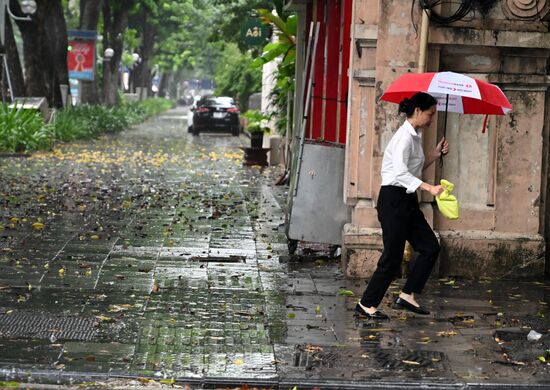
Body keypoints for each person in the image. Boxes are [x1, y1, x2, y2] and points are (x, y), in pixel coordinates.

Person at [355, 92, 449, 320]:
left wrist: (434, 156)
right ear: (417, 111)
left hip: (406, 199)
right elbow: (399, 173)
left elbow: (411, 169)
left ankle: (407, 294)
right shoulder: (404, 138)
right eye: (430, 114)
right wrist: (429, 188)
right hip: (393, 200)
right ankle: (366, 304)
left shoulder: (414, 136)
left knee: (430, 247)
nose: (431, 119)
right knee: (393, 256)